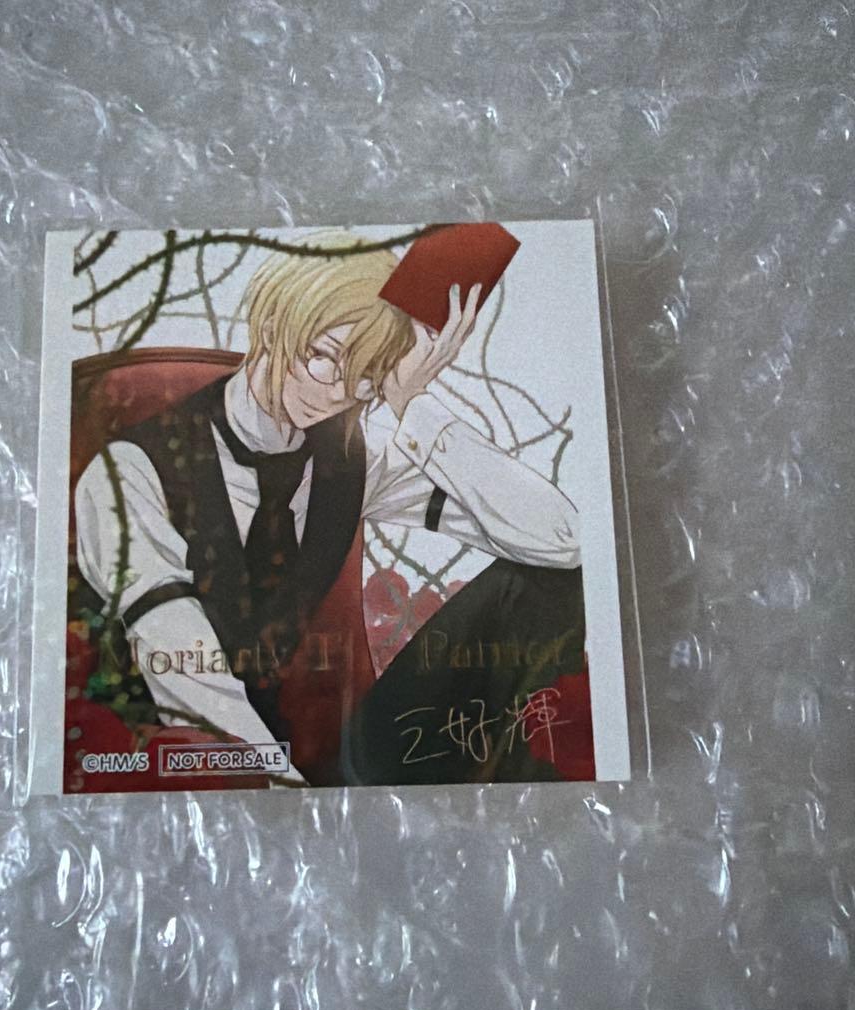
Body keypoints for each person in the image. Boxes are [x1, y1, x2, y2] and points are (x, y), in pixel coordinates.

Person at [74, 230, 581, 784]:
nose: (336, 393)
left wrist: (413, 402)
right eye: (324, 359)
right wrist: (285, 796)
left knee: (547, 583)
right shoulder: (130, 474)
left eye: (365, 377)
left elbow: (565, 542)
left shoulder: (351, 459)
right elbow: (186, 672)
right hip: (181, 765)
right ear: (273, 326)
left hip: (340, 771)